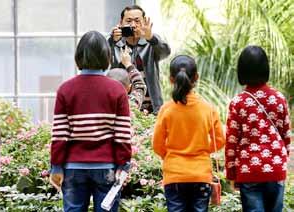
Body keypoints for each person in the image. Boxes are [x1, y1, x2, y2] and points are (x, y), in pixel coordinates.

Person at [49, 31, 132, 212]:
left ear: (78, 57)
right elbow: (123, 133)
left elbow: (59, 134)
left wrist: (56, 166)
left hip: (73, 168)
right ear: (107, 57)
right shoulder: (117, 90)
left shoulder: (65, 89)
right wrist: (123, 164)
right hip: (107, 167)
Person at [152, 55, 225, 212]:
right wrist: (204, 149)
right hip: (201, 174)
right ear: (196, 77)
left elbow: (157, 145)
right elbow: (220, 140)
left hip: (174, 175)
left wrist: (172, 156)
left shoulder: (166, 110)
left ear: (171, 79)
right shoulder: (207, 108)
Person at [225, 45, 291, 212]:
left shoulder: (238, 102)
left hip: (250, 170)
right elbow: (286, 136)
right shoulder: (279, 98)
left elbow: (231, 142)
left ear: (242, 71)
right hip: (276, 169)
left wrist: (231, 174)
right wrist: (281, 161)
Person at [108, 5, 171, 114]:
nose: (133, 25)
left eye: (137, 21)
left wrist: (151, 38)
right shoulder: (115, 41)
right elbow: (102, 61)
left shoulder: (151, 41)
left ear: (144, 22)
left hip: (152, 107)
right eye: (128, 21)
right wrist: (112, 41)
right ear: (121, 23)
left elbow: (166, 53)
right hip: (122, 106)